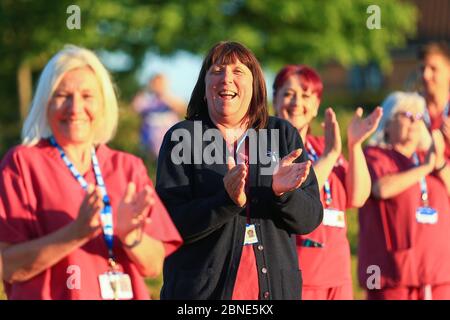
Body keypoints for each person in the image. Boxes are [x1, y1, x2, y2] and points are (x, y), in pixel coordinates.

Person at [0, 45, 182, 300]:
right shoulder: (22, 163)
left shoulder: (128, 167)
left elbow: (153, 266)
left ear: (104, 103)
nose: (75, 108)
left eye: (87, 96)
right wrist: (75, 233)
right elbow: (7, 266)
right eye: (63, 95)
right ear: (45, 102)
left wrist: (130, 236)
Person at [156, 41, 323, 300]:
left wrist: (282, 194)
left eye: (238, 72)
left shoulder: (282, 135)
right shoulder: (182, 138)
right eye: (218, 71)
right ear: (204, 88)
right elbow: (169, 225)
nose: (227, 79)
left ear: (255, 85)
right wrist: (226, 201)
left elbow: (310, 219)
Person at [272, 65, 382, 300]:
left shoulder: (322, 146)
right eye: (288, 94)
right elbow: (298, 196)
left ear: (316, 106)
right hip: (299, 275)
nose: (296, 102)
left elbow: (358, 196)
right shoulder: (270, 149)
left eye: (305, 95)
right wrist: (330, 156)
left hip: (337, 276)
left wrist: (354, 145)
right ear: (275, 100)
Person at [359, 91, 450, 300]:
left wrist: (439, 164)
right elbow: (381, 188)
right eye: (407, 115)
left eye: (420, 117)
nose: (415, 122)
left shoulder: (429, 159)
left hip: (437, 274)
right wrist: (426, 168)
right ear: (388, 124)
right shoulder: (375, 155)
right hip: (392, 275)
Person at [132, 73, 186, 159]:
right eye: (155, 83)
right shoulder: (147, 101)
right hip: (149, 151)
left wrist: (164, 94)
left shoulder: (170, 99)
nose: (157, 86)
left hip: (171, 150)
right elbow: (134, 109)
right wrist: (145, 89)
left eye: (160, 83)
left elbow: (182, 109)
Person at [419, 42, 450, 161]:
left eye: (433, 69)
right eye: (422, 69)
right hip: (415, 177)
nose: (425, 75)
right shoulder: (409, 108)